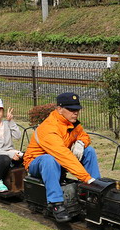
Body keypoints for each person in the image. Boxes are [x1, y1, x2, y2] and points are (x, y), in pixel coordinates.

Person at [23, 92, 101, 222]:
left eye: (77, 109)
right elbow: (63, 155)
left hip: (57, 161)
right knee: (49, 159)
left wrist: (81, 143)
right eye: (71, 109)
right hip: (37, 163)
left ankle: (95, 192)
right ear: (59, 109)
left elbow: (83, 135)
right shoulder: (49, 128)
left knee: (89, 151)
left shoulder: (71, 123)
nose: (75, 113)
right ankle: (56, 203)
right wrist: (86, 178)